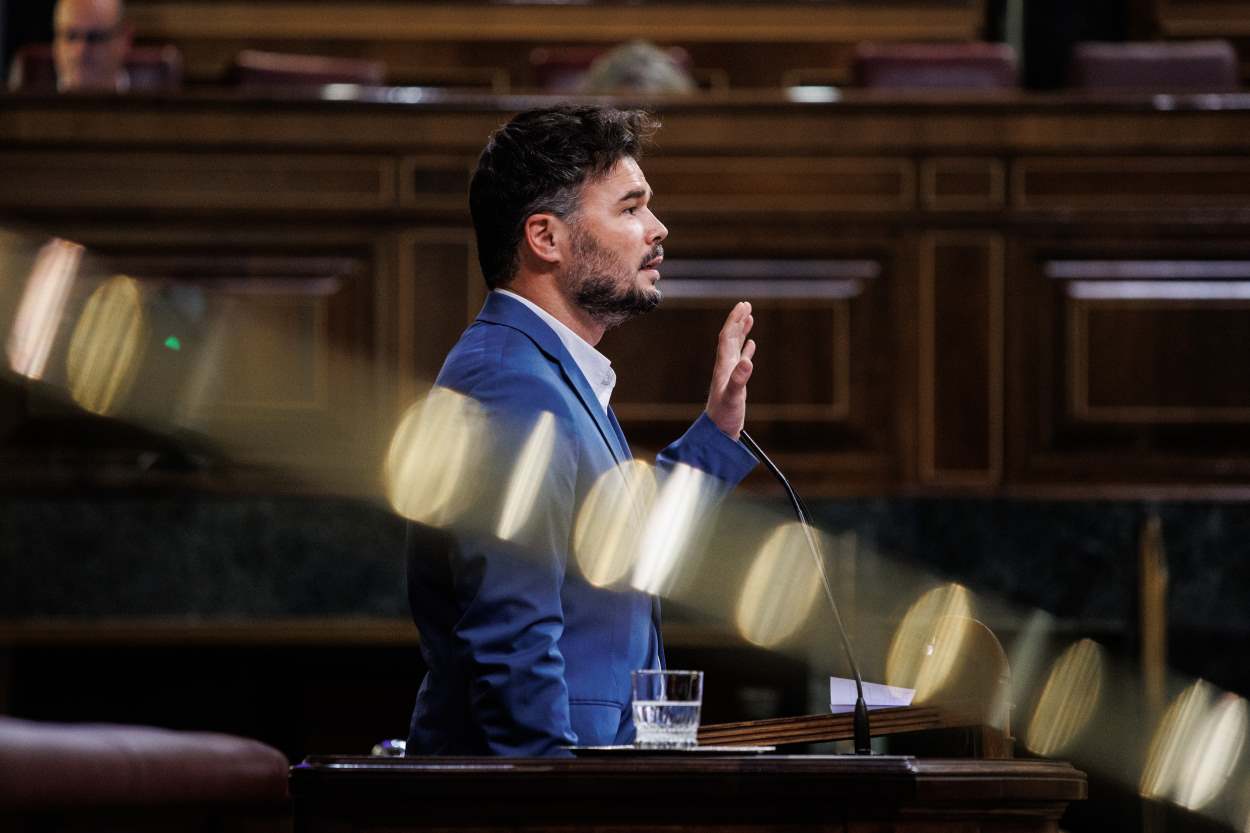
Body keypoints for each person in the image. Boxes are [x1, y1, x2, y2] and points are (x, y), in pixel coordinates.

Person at [405, 105, 758, 756]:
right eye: (629, 208)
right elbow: (512, 635)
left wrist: (716, 433)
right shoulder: (510, 386)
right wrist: (560, 806)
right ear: (545, 237)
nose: (657, 228)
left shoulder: (544, 374)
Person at [53, 0, 132, 92]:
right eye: (71, 36)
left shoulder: (149, 104)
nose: (80, 50)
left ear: (125, 39)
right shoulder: (35, 102)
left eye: (95, 37)